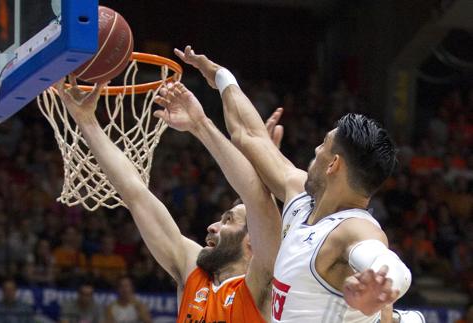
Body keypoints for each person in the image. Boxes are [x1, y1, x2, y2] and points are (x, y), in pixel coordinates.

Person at [174, 46, 412, 322]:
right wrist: (220, 76)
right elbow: (248, 135)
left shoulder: (353, 228)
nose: (315, 150)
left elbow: (388, 262)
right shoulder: (299, 193)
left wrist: (381, 285)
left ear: (333, 164)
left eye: (323, 144)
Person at [53, 71, 281, 322]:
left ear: (252, 242)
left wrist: (202, 125)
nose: (212, 226)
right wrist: (86, 121)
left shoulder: (262, 285)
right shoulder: (193, 273)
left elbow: (260, 205)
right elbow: (135, 193)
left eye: (228, 221)